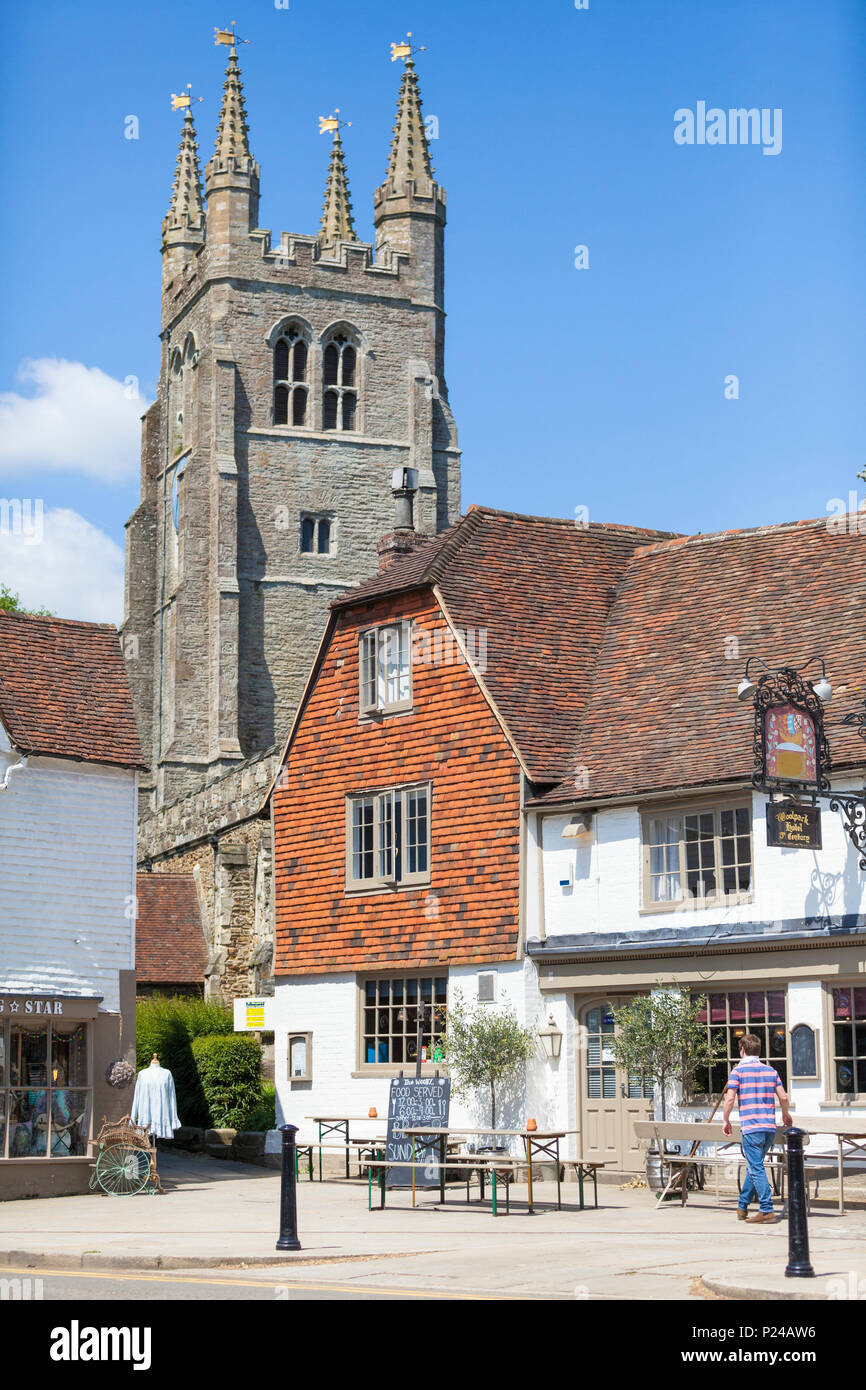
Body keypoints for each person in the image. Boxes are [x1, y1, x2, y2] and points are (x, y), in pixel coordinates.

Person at [722, 1033, 792, 1223]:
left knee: (756, 1167)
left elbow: (729, 1098)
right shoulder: (771, 1071)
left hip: (751, 1127)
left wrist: (725, 1120)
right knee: (755, 1167)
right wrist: (785, 1114)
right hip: (769, 1128)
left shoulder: (738, 1071)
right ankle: (742, 1205)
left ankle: (767, 1210)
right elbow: (783, 1098)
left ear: (742, 1050)